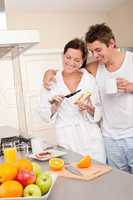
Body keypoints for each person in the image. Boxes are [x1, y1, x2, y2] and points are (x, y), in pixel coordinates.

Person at [39, 38, 106, 163]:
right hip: (66, 138)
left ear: (83, 61)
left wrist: (89, 108)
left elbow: (100, 110)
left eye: (77, 60)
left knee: (99, 175)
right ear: (62, 55)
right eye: (68, 57)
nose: (71, 62)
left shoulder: (89, 79)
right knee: (73, 175)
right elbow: (44, 115)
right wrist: (55, 106)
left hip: (91, 137)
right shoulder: (51, 81)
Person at [85, 23, 133, 173]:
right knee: (120, 185)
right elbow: (71, 70)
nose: (95, 55)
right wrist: (50, 72)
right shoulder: (94, 68)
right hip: (110, 138)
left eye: (98, 50)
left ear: (112, 43)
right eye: (92, 51)